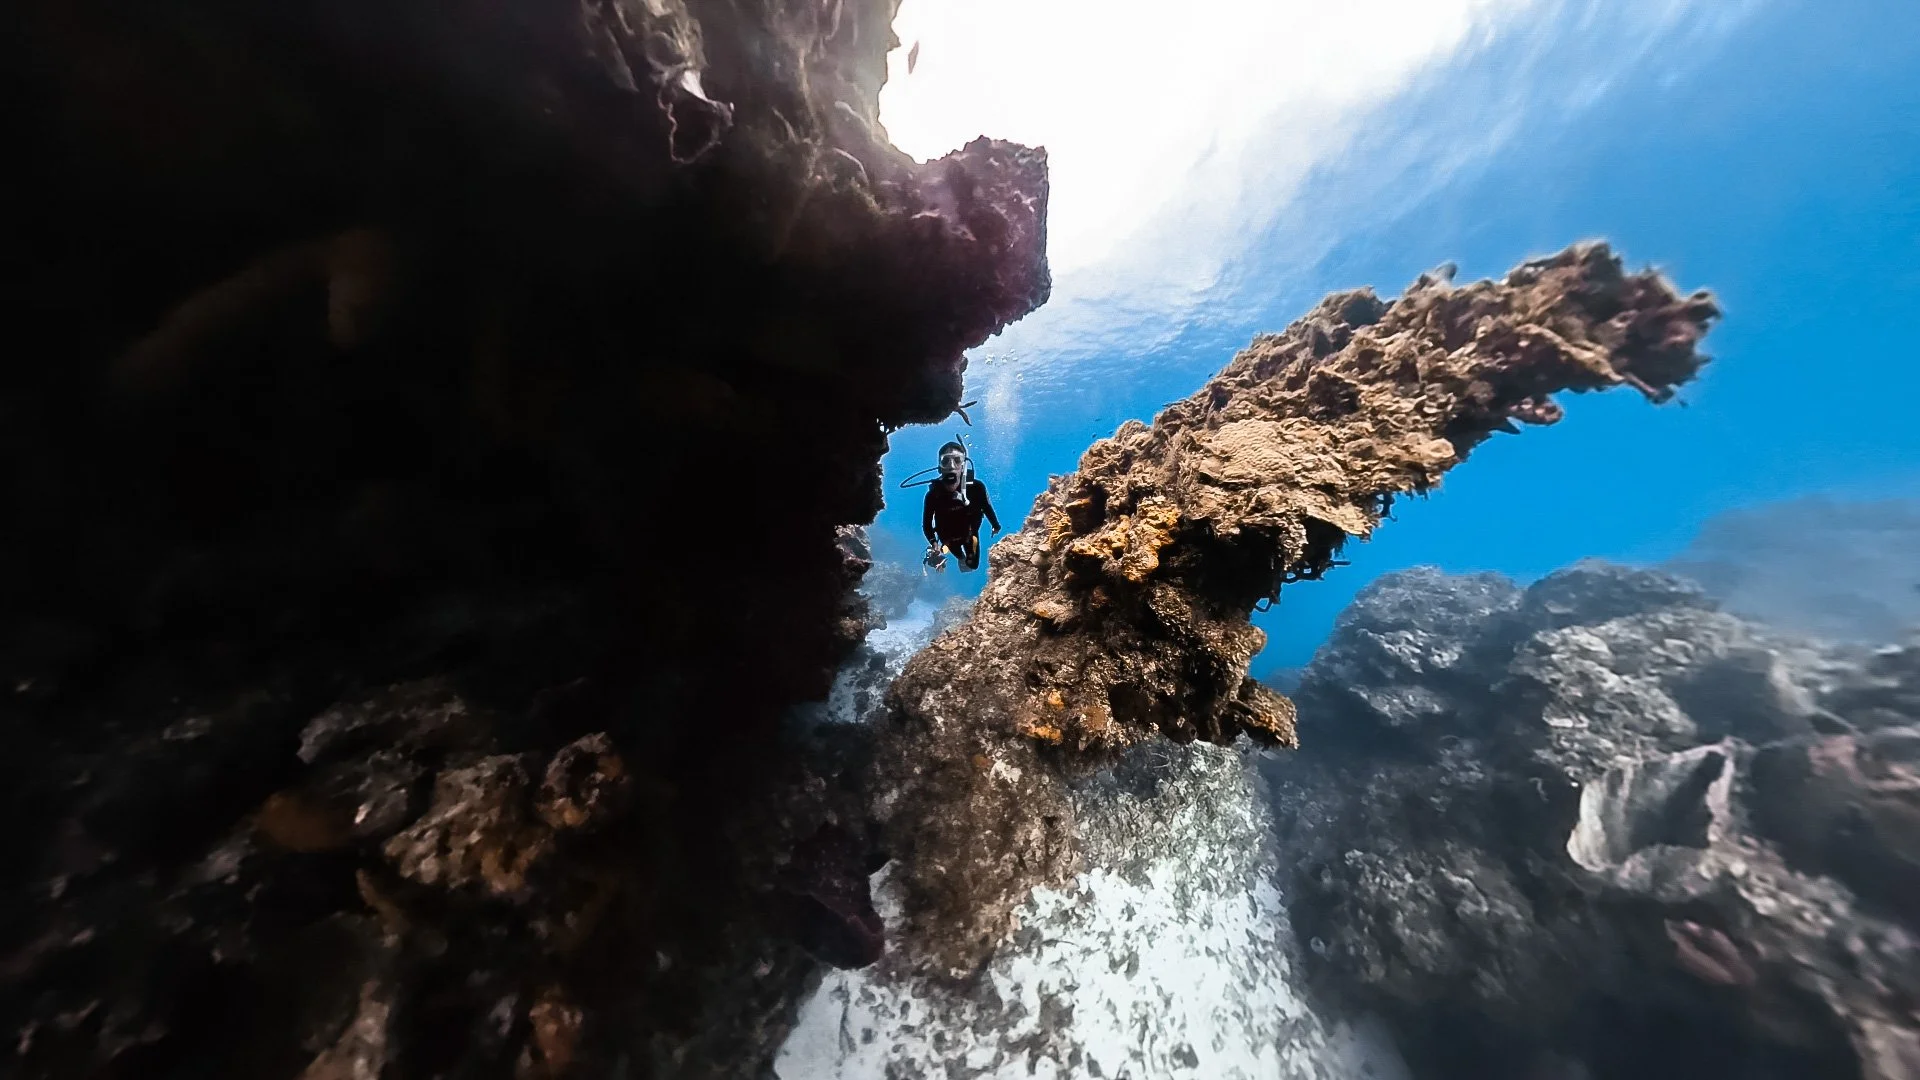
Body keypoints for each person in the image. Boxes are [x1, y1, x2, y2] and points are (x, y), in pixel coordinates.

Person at [921, 441, 999, 571]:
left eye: (957, 460)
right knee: (960, 556)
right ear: (940, 467)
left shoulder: (977, 488)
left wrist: (996, 525)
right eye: (945, 461)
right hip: (948, 537)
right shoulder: (932, 496)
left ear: (963, 466)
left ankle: (964, 559)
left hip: (970, 533)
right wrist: (934, 542)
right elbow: (927, 524)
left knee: (973, 565)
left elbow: (986, 507)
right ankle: (960, 558)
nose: (951, 466)